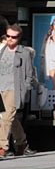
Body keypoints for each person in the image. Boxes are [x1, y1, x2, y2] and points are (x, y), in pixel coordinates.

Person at [0, 24, 39, 157]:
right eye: (8, 36)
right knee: (12, 119)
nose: (10, 39)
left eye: (14, 37)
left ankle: (2, 147)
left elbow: (29, 74)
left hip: (14, 89)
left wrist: (25, 88)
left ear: (19, 38)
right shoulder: (2, 50)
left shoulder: (24, 53)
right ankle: (22, 144)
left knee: (6, 118)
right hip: (1, 89)